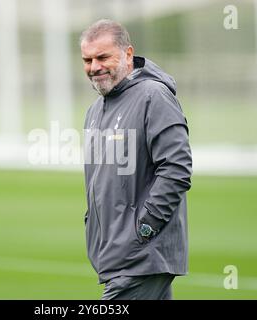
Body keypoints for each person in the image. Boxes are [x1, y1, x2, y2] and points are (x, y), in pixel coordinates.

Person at [80, 19, 192, 300]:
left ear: (128, 54)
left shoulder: (154, 97)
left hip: (140, 258)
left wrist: (144, 228)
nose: (94, 67)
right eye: (87, 59)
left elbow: (177, 168)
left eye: (103, 57)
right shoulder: (95, 110)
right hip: (116, 257)